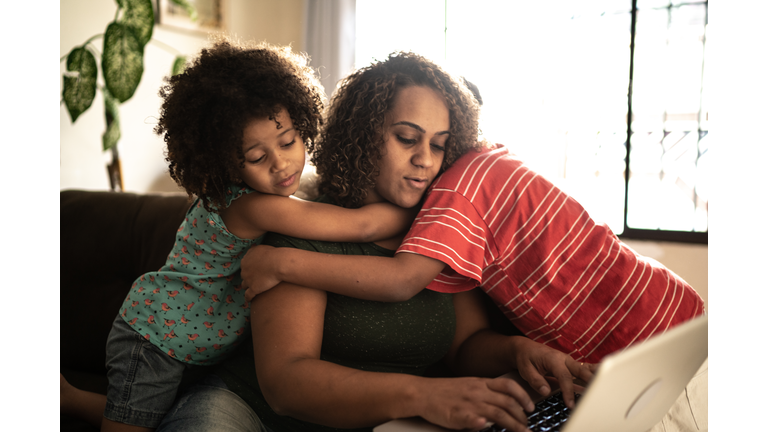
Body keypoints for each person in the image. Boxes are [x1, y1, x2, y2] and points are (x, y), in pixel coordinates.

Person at [153, 51, 597, 432]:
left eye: (439, 145)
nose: (425, 160)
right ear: (363, 135)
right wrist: (424, 396)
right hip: (246, 414)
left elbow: (465, 345)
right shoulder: (304, 228)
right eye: (407, 138)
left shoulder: (442, 230)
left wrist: (521, 352)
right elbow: (286, 383)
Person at [97, 38, 418, 432]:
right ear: (227, 165)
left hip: (191, 344)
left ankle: (66, 397)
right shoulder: (251, 206)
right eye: (256, 157)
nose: (281, 163)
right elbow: (362, 225)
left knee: (146, 415)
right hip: (155, 337)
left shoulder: (269, 196)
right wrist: (423, 206)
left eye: (288, 141)